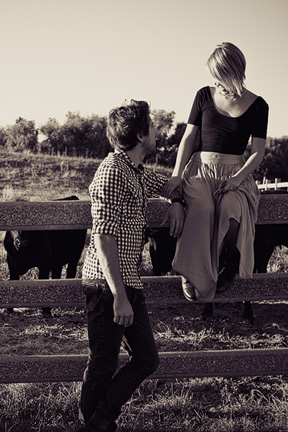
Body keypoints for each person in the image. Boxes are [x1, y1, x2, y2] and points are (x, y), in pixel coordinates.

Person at [78, 100, 185, 432]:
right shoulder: (111, 172)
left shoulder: (135, 171)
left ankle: (99, 420)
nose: (155, 132)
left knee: (147, 359)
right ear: (140, 135)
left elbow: (171, 186)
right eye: (152, 127)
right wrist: (119, 297)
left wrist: (178, 202)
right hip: (108, 285)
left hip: (129, 284)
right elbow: (103, 238)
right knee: (103, 364)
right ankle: (95, 424)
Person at [163, 42, 269, 303]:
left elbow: (257, 152)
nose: (215, 81)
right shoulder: (203, 95)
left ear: (233, 71)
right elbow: (188, 138)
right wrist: (177, 175)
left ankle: (229, 263)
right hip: (200, 170)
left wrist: (237, 178)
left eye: (219, 75)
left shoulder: (258, 105)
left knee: (231, 211)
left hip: (236, 173)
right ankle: (190, 273)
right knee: (203, 210)